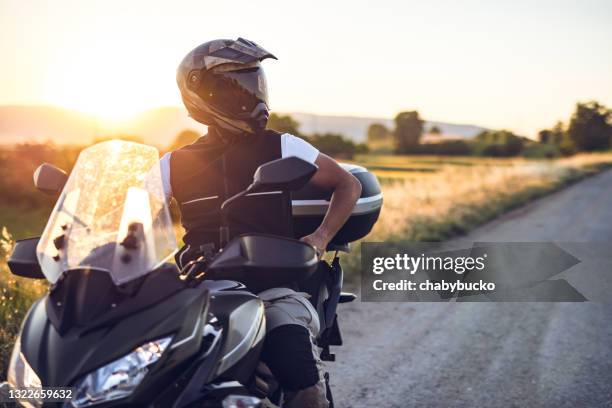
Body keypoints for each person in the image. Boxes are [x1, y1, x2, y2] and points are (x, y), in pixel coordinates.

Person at [162, 38, 361, 408]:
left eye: (255, 85)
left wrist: (320, 237)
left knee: (299, 375)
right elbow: (132, 216)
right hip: (200, 295)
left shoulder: (283, 146)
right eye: (238, 88)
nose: (252, 98)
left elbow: (347, 184)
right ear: (202, 94)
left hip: (273, 291)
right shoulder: (174, 164)